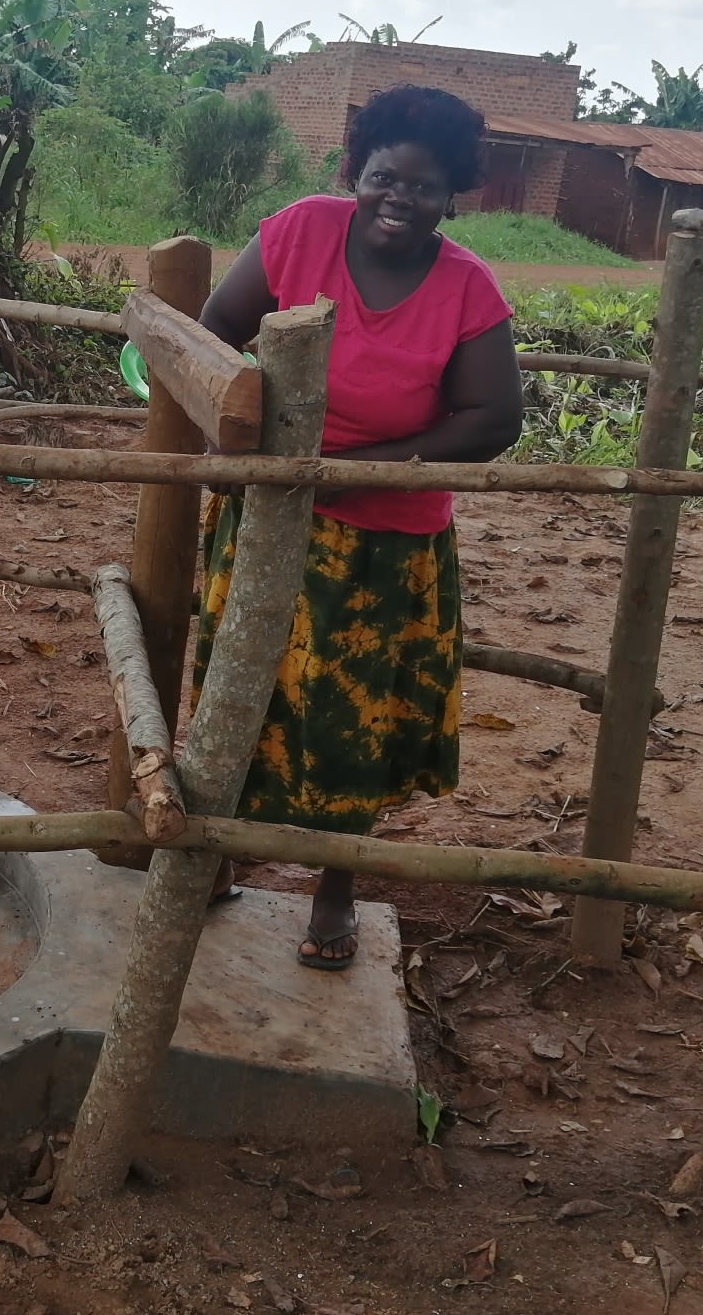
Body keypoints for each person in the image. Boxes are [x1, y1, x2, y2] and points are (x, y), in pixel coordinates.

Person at [192, 83, 525, 969]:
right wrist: (261, 437)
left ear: (453, 193)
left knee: (354, 716)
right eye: (384, 178)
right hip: (271, 514)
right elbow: (217, 331)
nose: (398, 199)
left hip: (387, 541)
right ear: (357, 172)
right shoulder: (299, 231)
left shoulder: (467, 289)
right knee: (241, 689)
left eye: (422, 187)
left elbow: (493, 419)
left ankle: (335, 885)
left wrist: (371, 470)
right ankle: (221, 855)